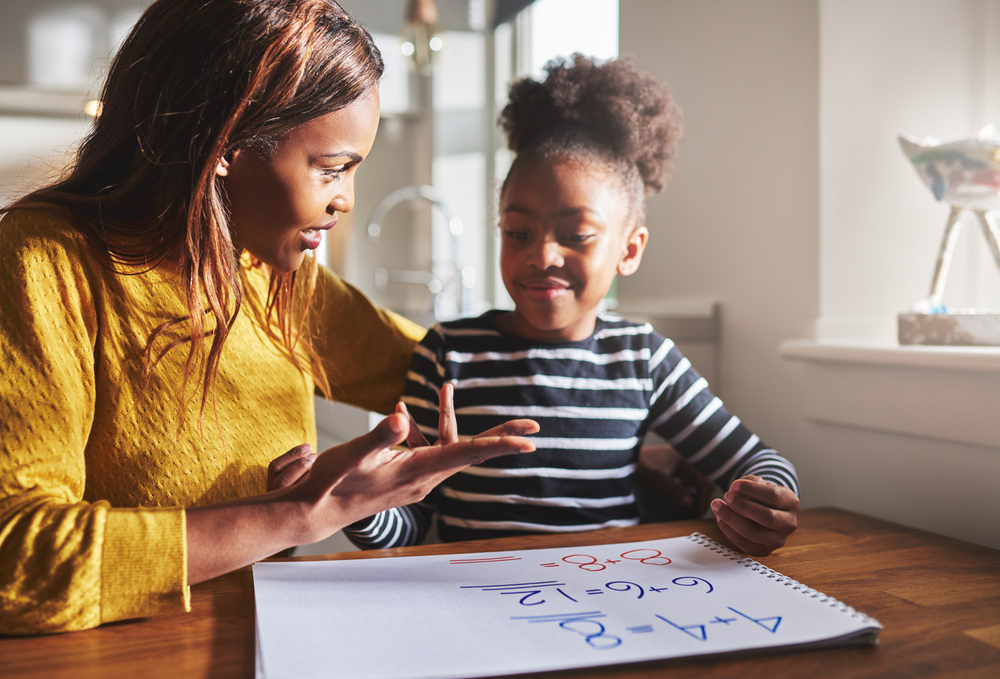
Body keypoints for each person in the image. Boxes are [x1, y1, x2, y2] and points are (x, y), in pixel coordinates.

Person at [0, 0, 539, 635]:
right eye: (332, 168)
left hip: (262, 640)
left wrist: (647, 440)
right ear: (225, 142)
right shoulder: (45, 258)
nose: (346, 200)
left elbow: (463, 374)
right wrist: (300, 513)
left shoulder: (269, 272)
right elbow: (18, 560)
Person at [344, 55, 800, 557]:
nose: (541, 255)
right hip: (472, 600)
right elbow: (410, 521)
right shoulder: (448, 352)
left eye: (576, 235)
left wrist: (767, 501)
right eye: (518, 232)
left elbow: (756, 460)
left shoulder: (642, 360)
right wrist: (359, 505)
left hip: (609, 595)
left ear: (629, 250)